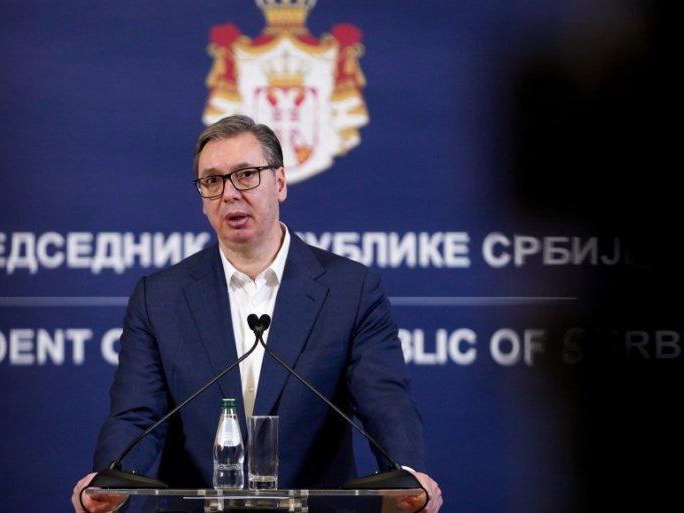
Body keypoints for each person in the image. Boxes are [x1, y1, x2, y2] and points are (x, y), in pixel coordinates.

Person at [71, 115, 443, 513]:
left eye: (246, 175)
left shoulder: (349, 291)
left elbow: (385, 400)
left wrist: (405, 474)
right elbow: (136, 416)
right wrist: (113, 479)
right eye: (212, 181)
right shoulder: (160, 298)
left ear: (279, 183)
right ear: (202, 198)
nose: (229, 193)